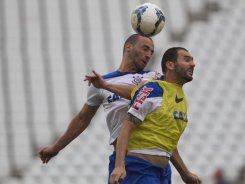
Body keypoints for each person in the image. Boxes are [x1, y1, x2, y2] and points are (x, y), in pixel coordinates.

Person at [39, 34, 195, 183]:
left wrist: (184, 172)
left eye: (152, 51)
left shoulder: (154, 77)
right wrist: (56, 147)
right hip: (129, 162)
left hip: (157, 163)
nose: (149, 55)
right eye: (145, 49)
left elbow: (158, 123)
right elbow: (82, 119)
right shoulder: (100, 83)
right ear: (128, 47)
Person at [87, 47, 201, 183]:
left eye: (192, 60)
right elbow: (126, 127)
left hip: (162, 174)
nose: (193, 64)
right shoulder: (152, 89)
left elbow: (168, 142)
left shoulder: (181, 99)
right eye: (187, 60)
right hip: (139, 169)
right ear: (170, 65)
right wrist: (119, 166)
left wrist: (185, 173)